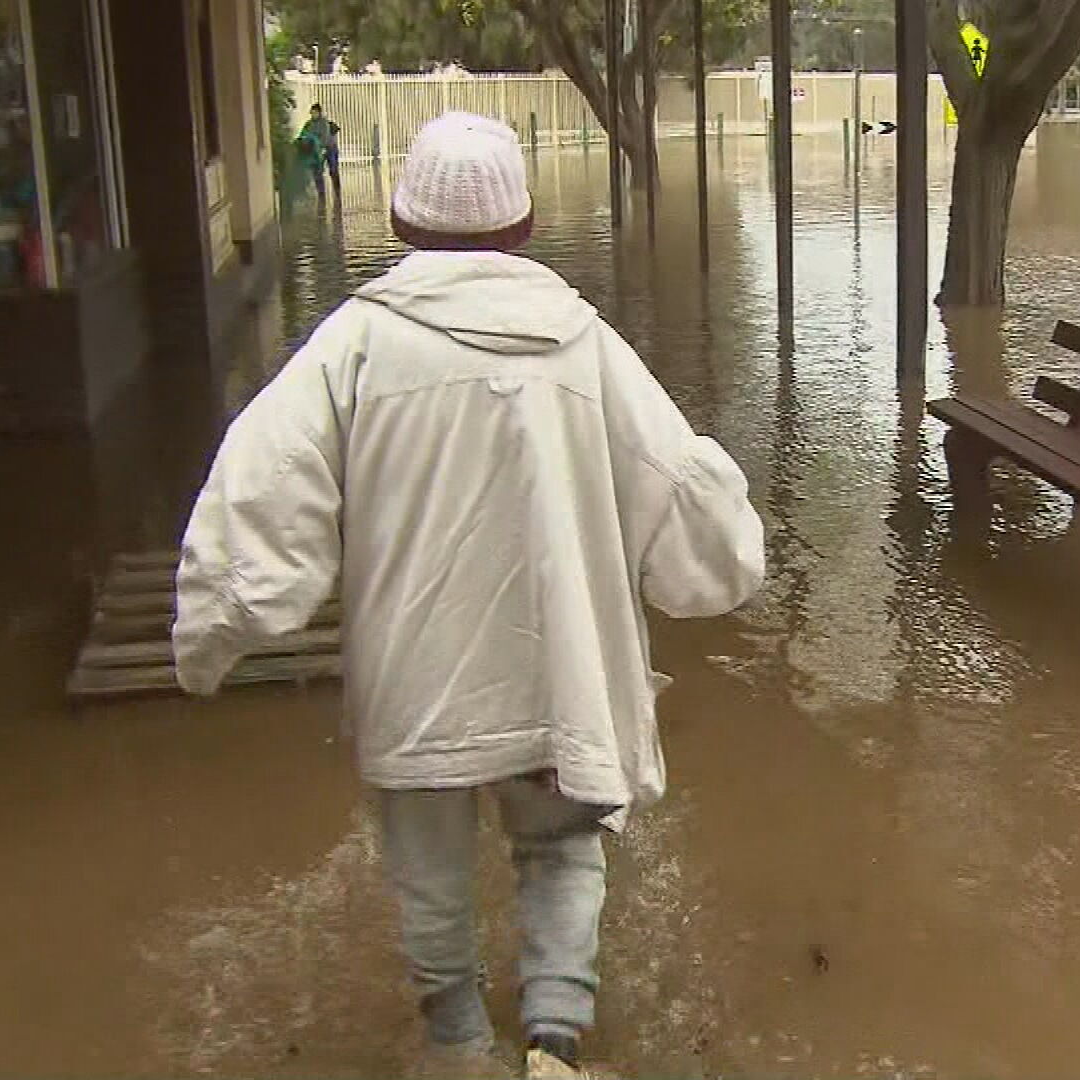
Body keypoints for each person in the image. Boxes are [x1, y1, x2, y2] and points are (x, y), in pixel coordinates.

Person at [172, 112, 766, 1079]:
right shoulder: (586, 347)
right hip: (553, 673)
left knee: (429, 877)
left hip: (420, 686)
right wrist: (731, 567)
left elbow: (259, 493)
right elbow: (682, 499)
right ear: (525, 229)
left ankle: (454, 1044)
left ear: (403, 227)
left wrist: (212, 635)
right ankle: (556, 1043)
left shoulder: (352, 346)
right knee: (563, 851)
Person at [303, 102, 342, 199]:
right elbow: (304, 135)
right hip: (317, 149)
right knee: (317, 171)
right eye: (311, 113)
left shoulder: (324, 123)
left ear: (319, 113)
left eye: (315, 112)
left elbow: (325, 136)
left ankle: (337, 190)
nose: (313, 114)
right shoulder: (309, 124)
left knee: (333, 169)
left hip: (330, 148)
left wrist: (322, 147)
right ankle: (321, 193)